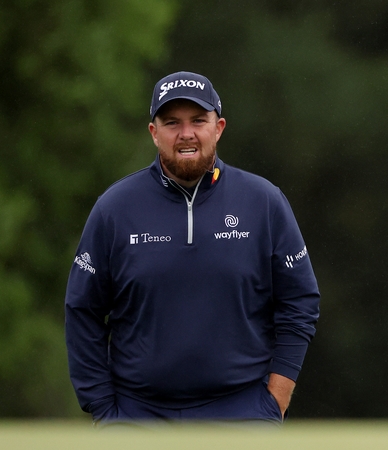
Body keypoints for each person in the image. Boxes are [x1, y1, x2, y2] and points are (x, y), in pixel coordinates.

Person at [64, 71, 320, 425]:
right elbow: (83, 309)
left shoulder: (264, 202)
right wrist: (102, 406)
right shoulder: (115, 208)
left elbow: (299, 301)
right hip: (137, 415)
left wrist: (276, 398)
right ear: (154, 133)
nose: (186, 133)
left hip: (243, 410)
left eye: (198, 120)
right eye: (172, 122)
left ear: (219, 128)